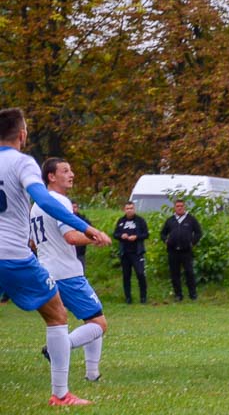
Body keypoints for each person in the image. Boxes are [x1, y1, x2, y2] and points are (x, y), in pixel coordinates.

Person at [0, 107, 111, 406]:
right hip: (15, 256)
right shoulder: (23, 163)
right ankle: (61, 394)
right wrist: (87, 228)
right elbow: (45, 200)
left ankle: (90, 374)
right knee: (58, 314)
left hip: (30, 258)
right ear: (22, 134)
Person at [30, 158, 108, 385]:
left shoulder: (36, 206)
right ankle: (58, 349)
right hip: (67, 273)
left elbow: (33, 243)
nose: (71, 174)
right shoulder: (59, 201)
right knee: (98, 324)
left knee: (89, 318)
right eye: (65, 170)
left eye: (71, 169)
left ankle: (93, 374)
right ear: (51, 177)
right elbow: (71, 237)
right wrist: (95, 238)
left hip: (46, 272)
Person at [160, 199, 202, 301]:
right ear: (174, 208)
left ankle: (193, 295)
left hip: (186, 251)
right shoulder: (170, 220)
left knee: (189, 272)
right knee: (175, 274)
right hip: (173, 251)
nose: (179, 208)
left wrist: (192, 242)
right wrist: (166, 240)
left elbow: (198, 232)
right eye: (177, 206)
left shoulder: (191, 219)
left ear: (185, 207)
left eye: (181, 206)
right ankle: (178, 295)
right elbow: (163, 233)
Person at [113, 201, 149, 304]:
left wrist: (137, 237)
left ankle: (143, 297)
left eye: (131, 208)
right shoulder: (121, 221)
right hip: (125, 253)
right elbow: (115, 234)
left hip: (137, 252)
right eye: (127, 208)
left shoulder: (140, 221)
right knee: (126, 276)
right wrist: (121, 236)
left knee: (141, 274)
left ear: (134, 209)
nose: (129, 210)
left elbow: (146, 234)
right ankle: (128, 298)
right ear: (124, 210)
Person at [71, 202, 91, 273]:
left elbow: (90, 230)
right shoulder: (64, 220)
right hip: (67, 252)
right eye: (72, 207)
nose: (73, 209)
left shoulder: (83, 220)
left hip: (80, 251)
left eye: (75, 207)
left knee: (81, 272)